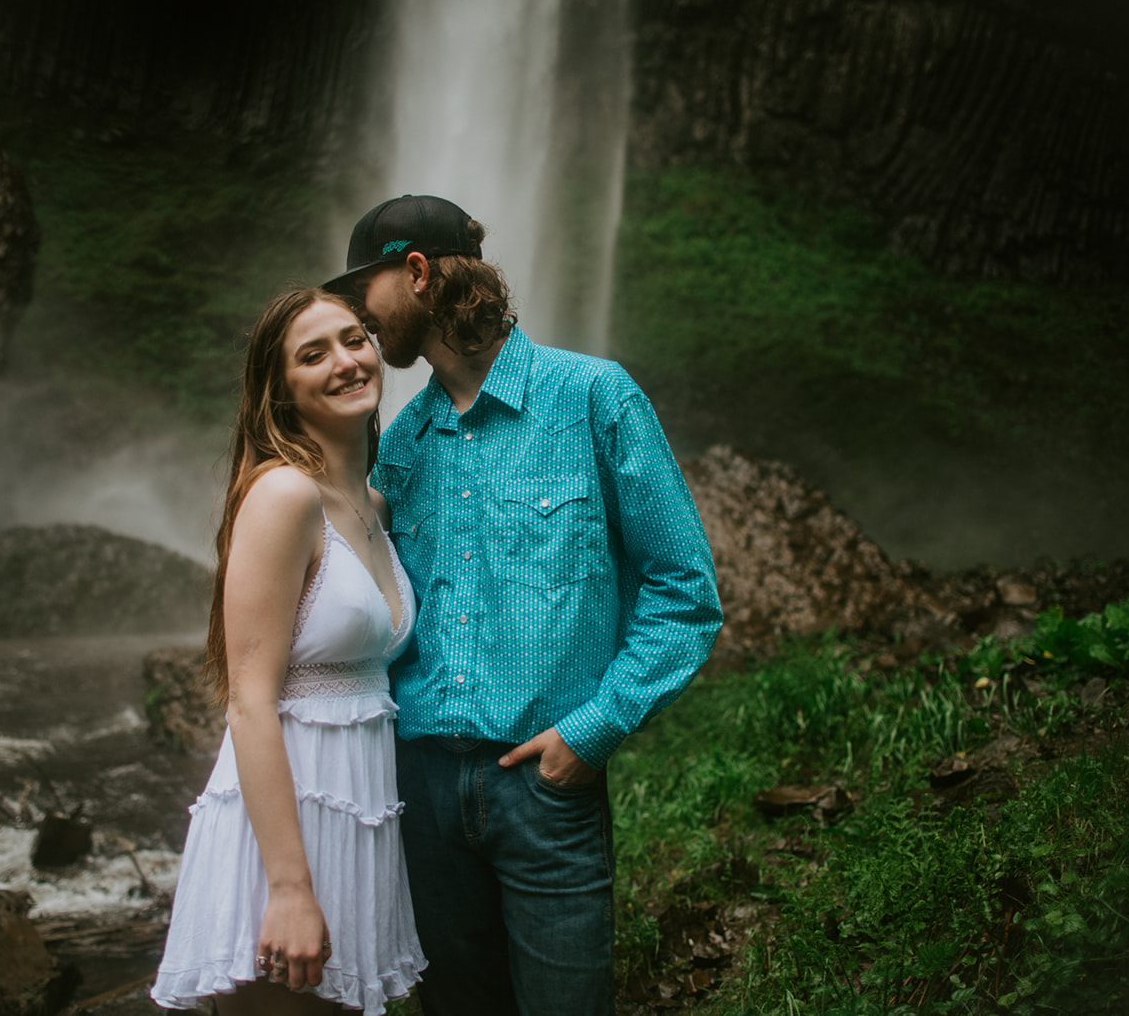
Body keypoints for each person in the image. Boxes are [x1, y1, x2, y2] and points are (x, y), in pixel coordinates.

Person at [323, 195, 724, 1016]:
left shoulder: (594, 399)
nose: (358, 318)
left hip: (545, 789)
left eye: (365, 291)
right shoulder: (400, 448)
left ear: (418, 272)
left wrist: (594, 730)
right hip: (422, 790)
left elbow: (686, 592)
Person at [151, 287, 427, 1015]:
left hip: (355, 815)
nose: (347, 360)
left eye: (354, 338)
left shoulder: (374, 506)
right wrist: (290, 890)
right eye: (315, 354)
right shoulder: (283, 497)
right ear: (281, 394)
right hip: (287, 832)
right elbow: (249, 701)